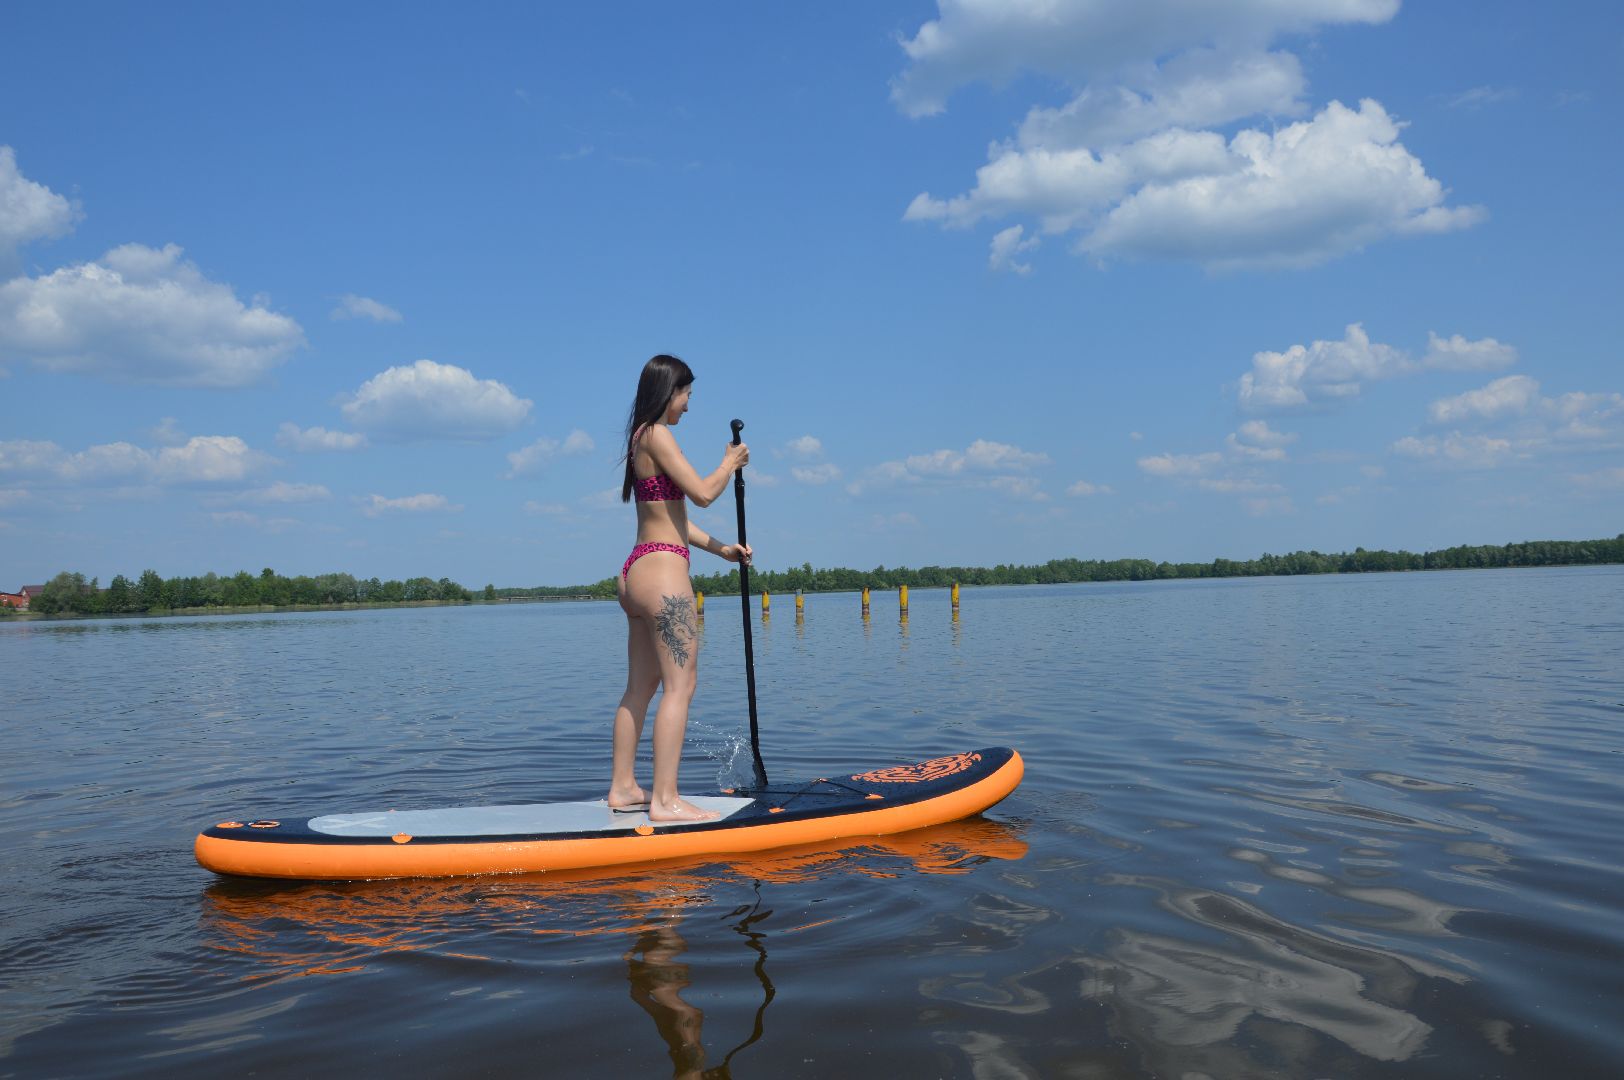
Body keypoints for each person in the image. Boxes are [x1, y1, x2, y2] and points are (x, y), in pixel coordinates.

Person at [609, 354, 751, 823]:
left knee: (640, 688)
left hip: (635, 573)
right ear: (669, 391)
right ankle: (665, 800)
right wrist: (730, 461)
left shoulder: (638, 439)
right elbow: (704, 493)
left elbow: (674, 520)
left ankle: (624, 787)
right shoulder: (658, 433)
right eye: (686, 394)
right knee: (680, 686)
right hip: (664, 578)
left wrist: (721, 549)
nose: (688, 405)